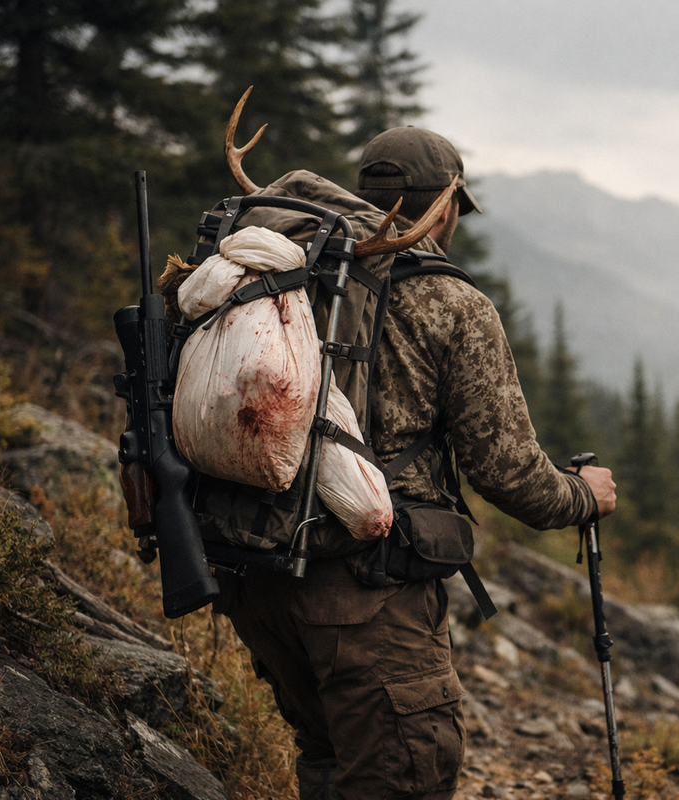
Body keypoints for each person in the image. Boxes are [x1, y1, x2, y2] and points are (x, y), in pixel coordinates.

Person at [216, 126, 616, 800]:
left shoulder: (287, 267)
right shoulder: (452, 302)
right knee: (405, 779)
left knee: (328, 757)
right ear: (446, 205)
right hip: (367, 594)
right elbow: (507, 473)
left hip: (258, 575)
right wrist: (583, 495)